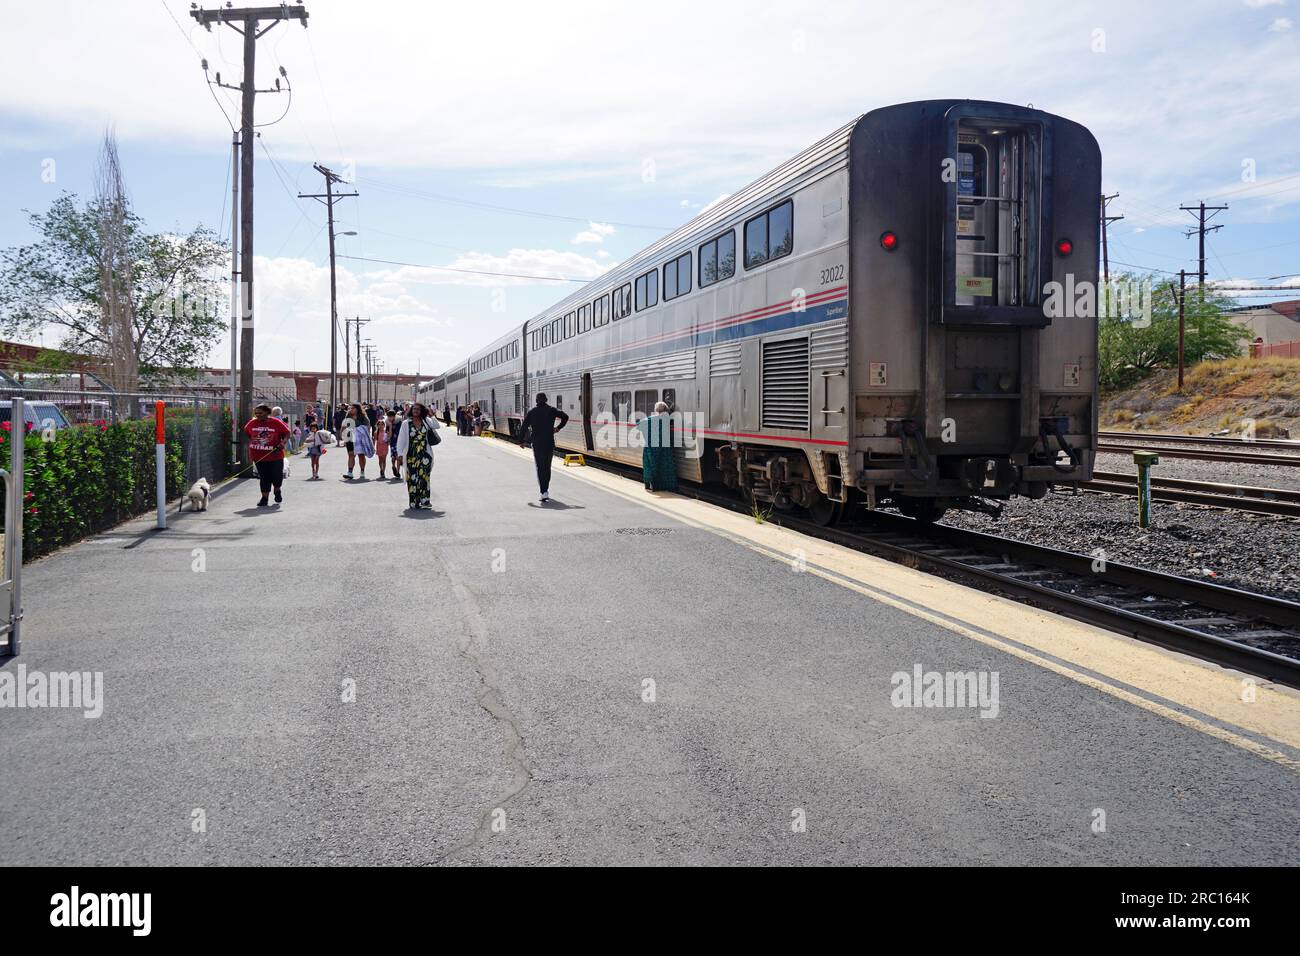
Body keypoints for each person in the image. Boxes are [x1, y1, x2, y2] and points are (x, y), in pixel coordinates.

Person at [519, 392, 569, 503]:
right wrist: (558, 428)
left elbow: (524, 427)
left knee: (540, 467)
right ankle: (545, 489)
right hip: (549, 443)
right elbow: (565, 417)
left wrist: (521, 441)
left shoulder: (532, 412)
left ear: (536, 401)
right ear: (546, 400)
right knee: (547, 467)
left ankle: (543, 491)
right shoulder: (552, 410)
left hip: (537, 443)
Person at [395, 402, 441, 509]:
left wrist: (431, 415)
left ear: (422, 411)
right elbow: (401, 439)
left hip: (425, 455)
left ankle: (425, 501)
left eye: (418, 409)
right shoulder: (406, 423)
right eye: (414, 409)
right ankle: (414, 501)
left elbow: (437, 426)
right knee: (412, 478)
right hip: (411, 455)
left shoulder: (426, 421)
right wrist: (400, 454)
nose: (416, 411)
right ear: (411, 410)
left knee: (424, 478)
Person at [243, 403, 291, 507]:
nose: (257, 415)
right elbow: (247, 432)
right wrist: (254, 442)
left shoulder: (276, 422)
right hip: (258, 456)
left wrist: (282, 443)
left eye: (260, 413)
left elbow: (287, 433)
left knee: (276, 477)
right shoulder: (252, 423)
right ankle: (264, 498)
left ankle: (277, 490)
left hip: (275, 455)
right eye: (256, 413)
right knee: (264, 477)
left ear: (267, 412)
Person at [639, 401, 678, 491]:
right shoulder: (666, 420)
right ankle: (665, 486)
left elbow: (639, 426)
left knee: (649, 465)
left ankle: (648, 484)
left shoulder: (648, 419)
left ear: (656, 410)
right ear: (665, 410)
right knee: (664, 465)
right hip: (664, 447)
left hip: (650, 447)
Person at [344, 402, 375, 479]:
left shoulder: (363, 417)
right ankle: (350, 472)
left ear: (357, 409)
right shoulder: (348, 416)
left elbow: (367, 427)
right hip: (350, 438)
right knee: (351, 454)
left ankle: (362, 471)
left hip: (360, 439)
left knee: (361, 455)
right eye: (350, 408)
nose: (351, 409)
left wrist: (356, 422)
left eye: (353, 408)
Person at [383, 408, 402, 480]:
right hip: (392, 442)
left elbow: (402, 433)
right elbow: (390, 435)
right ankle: (393, 466)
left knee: (398, 457)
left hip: (399, 442)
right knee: (393, 458)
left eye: (391, 416)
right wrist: (390, 425)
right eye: (388, 417)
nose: (390, 418)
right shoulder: (388, 424)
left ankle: (397, 472)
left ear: (394, 416)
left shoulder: (399, 422)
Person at [374, 408, 391, 479]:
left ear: (384, 425)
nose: (380, 426)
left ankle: (383, 472)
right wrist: (373, 447)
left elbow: (389, 438)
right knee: (380, 460)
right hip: (379, 447)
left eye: (382, 424)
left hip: (385, 447)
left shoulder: (386, 432)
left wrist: (390, 427)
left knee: (384, 460)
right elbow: (374, 440)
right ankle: (381, 469)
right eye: (379, 424)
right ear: (377, 425)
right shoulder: (376, 433)